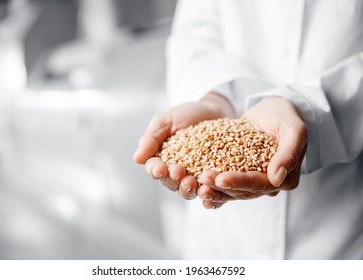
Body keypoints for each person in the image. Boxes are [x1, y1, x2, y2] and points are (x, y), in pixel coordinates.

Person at [134, 0, 363, 259]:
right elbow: (194, 35)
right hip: (223, 242)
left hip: (343, 231)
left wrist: (308, 108)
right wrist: (214, 98)